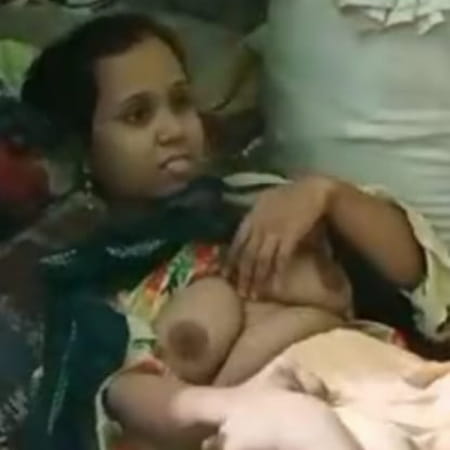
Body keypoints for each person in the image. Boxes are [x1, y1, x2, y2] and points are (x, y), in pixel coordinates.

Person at [20, 12, 448, 450]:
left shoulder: (257, 202)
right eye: (138, 115)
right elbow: (112, 408)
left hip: (407, 391)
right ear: (83, 149)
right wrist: (239, 407)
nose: (172, 130)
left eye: (181, 102)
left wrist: (327, 195)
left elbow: (423, 283)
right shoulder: (98, 293)